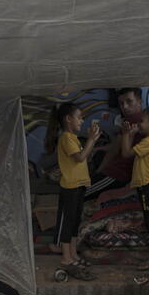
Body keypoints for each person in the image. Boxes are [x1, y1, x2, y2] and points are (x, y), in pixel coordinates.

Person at [45, 103, 101, 279]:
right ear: (68, 119)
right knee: (66, 224)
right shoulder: (66, 138)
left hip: (79, 185)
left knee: (75, 221)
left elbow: (84, 156)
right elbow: (80, 157)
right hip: (69, 186)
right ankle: (66, 257)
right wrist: (91, 139)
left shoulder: (73, 138)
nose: (82, 120)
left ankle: (74, 255)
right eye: (79, 117)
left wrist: (91, 142)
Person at [121, 106, 149, 270]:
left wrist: (126, 134)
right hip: (147, 186)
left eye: (141, 121)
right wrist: (131, 135)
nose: (138, 124)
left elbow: (126, 153)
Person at [86, 87, 145, 199]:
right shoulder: (142, 120)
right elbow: (116, 145)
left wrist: (100, 172)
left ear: (139, 102)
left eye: (129, 101)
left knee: (79, 194)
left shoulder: (131, 121)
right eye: (122, 103)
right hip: (125, 172)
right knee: (98, 153)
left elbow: (114, 151)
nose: (125, 107)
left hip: (118, 174)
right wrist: (98, 149)